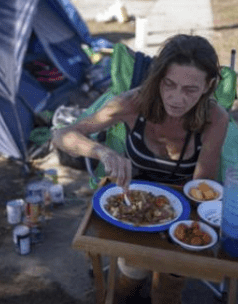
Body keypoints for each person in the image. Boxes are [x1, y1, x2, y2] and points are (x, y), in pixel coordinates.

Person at [52, 34, 229, 304]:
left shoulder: (215, 118)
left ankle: (162, 287)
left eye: (190, 89)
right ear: (158, 78)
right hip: (129, 206)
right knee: (127, 281)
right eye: (169, 84)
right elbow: (62, 135)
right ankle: (128, 284)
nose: (177, 99)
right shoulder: (132, 103)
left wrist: (172, 245)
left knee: (167, 287)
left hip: (181, 213)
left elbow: (200, 189)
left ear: (208, 86)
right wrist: (102, 151)